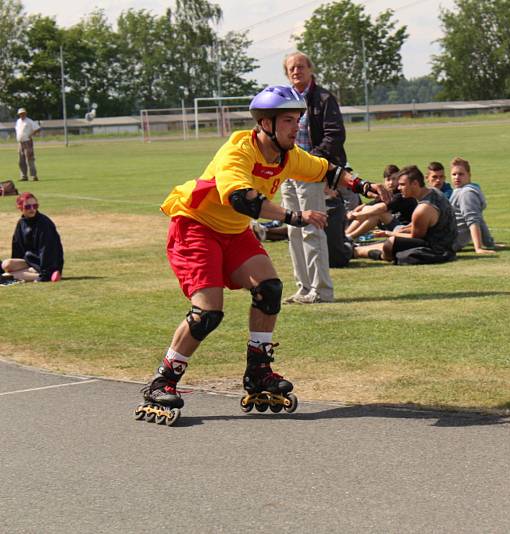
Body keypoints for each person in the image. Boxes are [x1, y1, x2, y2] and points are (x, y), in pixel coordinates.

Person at [140, 85, 387, 412]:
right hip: (197, 228)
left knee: (269, 290)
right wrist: (295, 216)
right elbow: (243, 199)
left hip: (233, 232)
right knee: (208, 314)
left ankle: (258, 371)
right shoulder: (238, 152)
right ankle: (162, 381)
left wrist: (364, 186)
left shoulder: (288, 156)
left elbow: (326, 169)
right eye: (287, 120)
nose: (296, 126)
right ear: (266, 123)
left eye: (298, 119)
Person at [281, 51, 347, 304]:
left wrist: (313, 162)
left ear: (310, 69)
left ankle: (321, 290)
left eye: (300, 67)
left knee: (312, 229)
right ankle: (303, 287)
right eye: (291, 69)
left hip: (311, 170)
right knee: (293, 230)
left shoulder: (324, 98)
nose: (296, 71)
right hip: (286, 170)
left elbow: (334, 135)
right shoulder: (284, 99)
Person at [354, 165, 457, 265]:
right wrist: (404, 229)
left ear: (415, 184)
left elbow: (415, 237)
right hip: (447, 246)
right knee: (392, 241)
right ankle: (354, 249)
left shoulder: (423, 209)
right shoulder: (434, 192)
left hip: (438, 251)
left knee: (390, 243)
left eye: (402, 184)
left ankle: (363, 253)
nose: (398, 188)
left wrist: (388, 233)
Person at [1, 193, 63, 283]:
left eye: (35, 206)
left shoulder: (44, 223)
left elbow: (47, 250)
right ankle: (30, 272)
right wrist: (15, 267)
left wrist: (46, 270)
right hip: (30, 260)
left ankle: (46, 275)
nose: (32, 209)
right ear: (20, 207)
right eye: (28, 207)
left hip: (47, 263)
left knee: (9, 276)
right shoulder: (21, 223)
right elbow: (17, 247)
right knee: (6, 264)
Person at [345, 164, 416, 240]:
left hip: (403, 229)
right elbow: (366, 206)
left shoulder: (401, 194)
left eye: (394, 179)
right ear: (384, 181)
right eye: (388, 179)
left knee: (376, 213)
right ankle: (345, 235)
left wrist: (355, 214)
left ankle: (349, 237)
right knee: (370, 211)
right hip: (390, 226)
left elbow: (379, 208)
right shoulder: (386, 194)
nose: (391, 182)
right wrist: (353, 212)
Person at [449, 157, 496, 255]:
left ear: (469, 175)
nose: (456, 177)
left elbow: (473, 220)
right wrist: (489, 243)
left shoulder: (467, 193)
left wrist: (478, 248)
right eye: (454, 174)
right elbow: (480, 220)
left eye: (461, 174)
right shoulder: (458, 190)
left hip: (448, 242)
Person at [15, 108, 40, 182]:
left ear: (25, 113)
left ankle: (34, 176)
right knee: (21, 160)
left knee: (30, 159)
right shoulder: (18, 121)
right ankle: (24, 176)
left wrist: (31, 135)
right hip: (20, 143)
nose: (22, 114)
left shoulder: (29, 121)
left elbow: (37, 128)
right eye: (20, 113)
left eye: (23, 113)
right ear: (19, 114)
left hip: (27, 142)